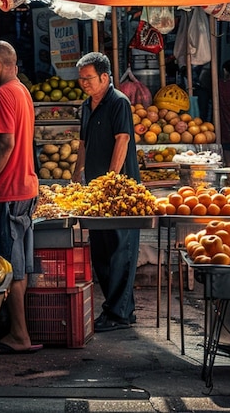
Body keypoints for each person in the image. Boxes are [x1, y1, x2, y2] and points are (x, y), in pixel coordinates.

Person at [0, 41, 41, 354]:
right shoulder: (23, 92)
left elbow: (6, 144)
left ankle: (18, 335)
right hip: (26, 189)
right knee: (20, 267)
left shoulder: (2, 94)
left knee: (6, 266)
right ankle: (14, 331)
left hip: (7, 192)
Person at [71, 52, 141, 332]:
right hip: (95, 189)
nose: (84, 84)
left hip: (118, 190)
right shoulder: (87, 106)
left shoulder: (118, 102)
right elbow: (83, 143)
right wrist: (78, 174)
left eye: (88, 78)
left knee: (120, 250)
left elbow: (122, 140)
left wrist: (111, 182)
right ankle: (120, 309)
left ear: (105, 77)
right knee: (101, 250)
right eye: (81, 79)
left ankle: (118, 314)